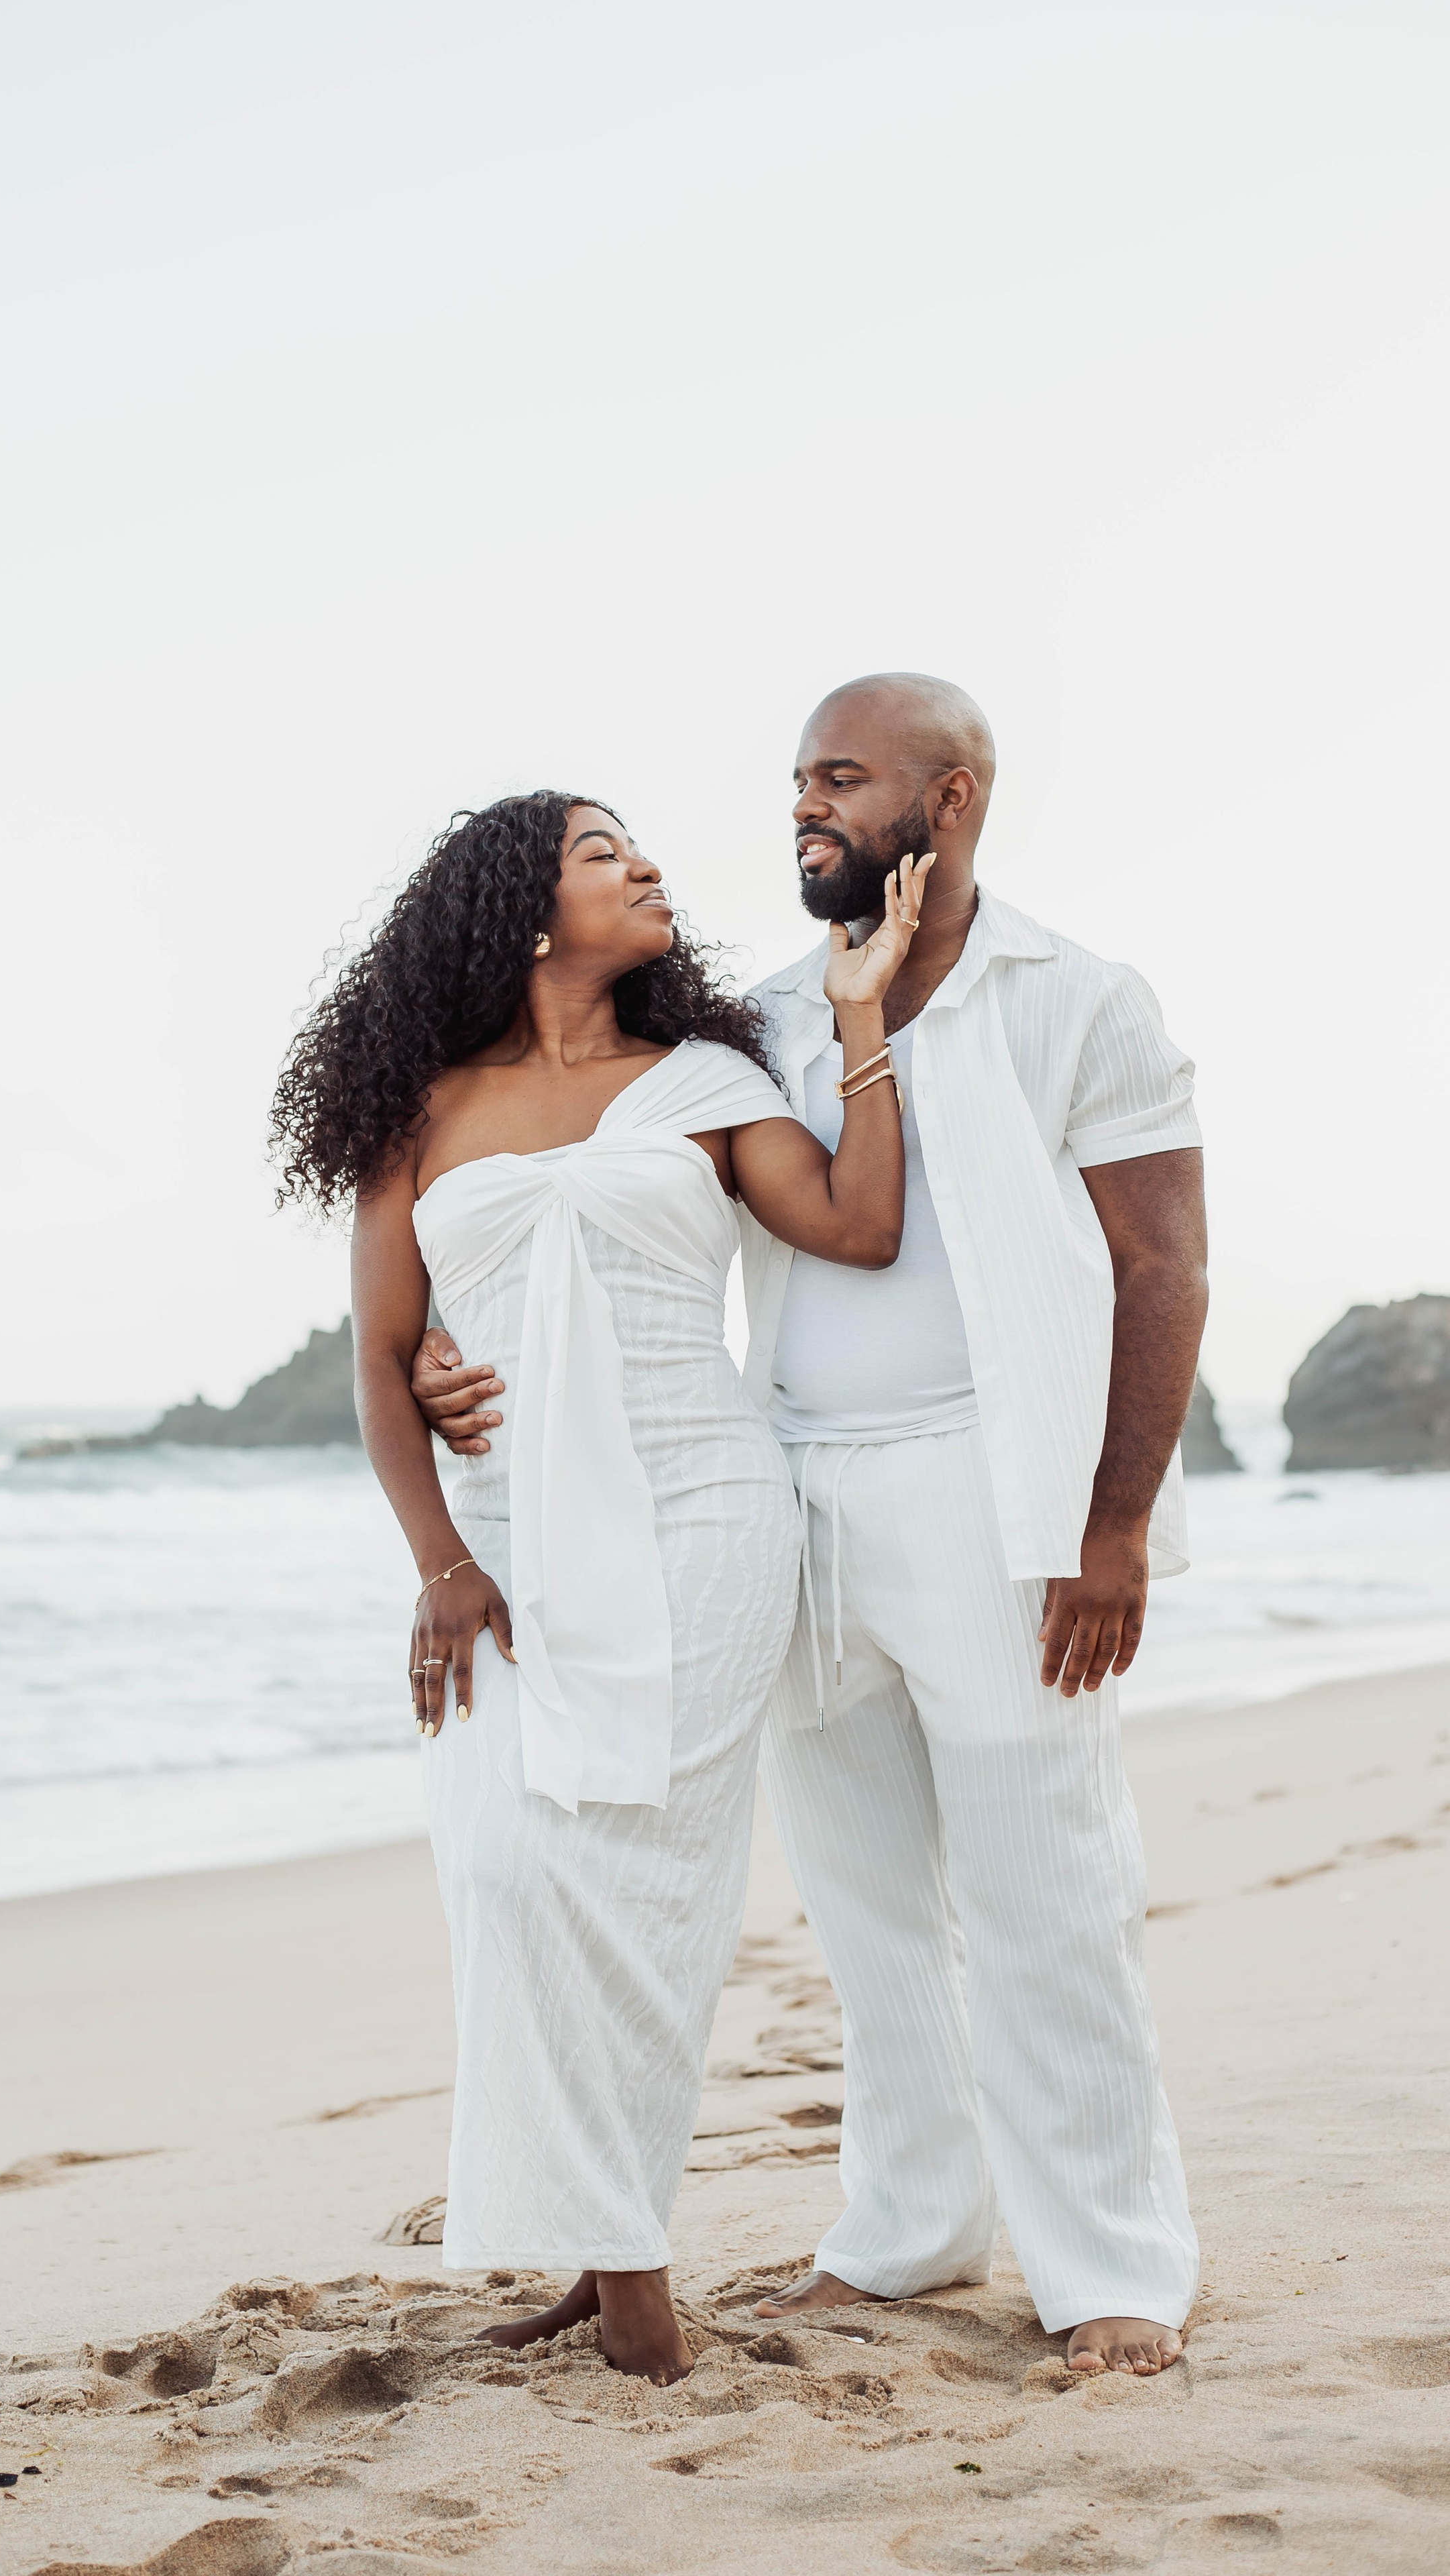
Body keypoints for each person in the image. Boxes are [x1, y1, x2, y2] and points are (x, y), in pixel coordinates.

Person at [412, 679, 1208, 2380]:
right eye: (793, 782)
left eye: (839, 780)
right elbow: (589, 1204)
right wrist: (433, 1336)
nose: (803, 810)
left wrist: (1113, 1520)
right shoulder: (755, 1021)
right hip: (784, 1493)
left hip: (999, 1493)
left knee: (1046, 1883)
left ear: (952, 793)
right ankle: (903, 2238)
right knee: (862, 1914)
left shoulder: (1079, 1000)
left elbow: (1161, 1267)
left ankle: (1112, 2267)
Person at [271, 789, 933, 2385]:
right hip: (501, 1541)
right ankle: (597, 2238)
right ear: (519, 909)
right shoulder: (417, 1110)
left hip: (701, 1515)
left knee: (642, 1885)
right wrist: (439, 1562)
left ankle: (625, 2273)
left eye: (634, 849)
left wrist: (859, 1032)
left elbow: (856, 1225)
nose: (644, 867)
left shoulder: (702, 1084)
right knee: (509, 1871)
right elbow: (379, 1353)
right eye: (600, 851)